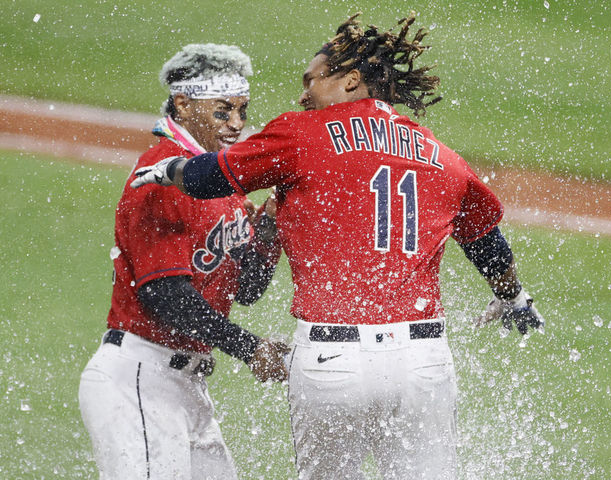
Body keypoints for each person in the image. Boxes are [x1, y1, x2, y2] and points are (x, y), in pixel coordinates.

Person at [131, 14, 544, 480]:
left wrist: (166, 171)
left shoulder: (302, 134)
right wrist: (513, 297)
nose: (304, 94)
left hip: (333, 363)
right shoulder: (440, 153)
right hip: (422, 362)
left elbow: (207, 177)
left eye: (311, 80)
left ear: (351, 80)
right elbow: (486, 242)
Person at [79, 44, 289, 480]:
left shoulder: (215, 177)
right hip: (140, 380)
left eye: (242, 111)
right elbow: (164, 296)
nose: (236, 125)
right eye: (222, 111)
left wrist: (269, 232)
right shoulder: (160, 177)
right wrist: (250, 350)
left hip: (186, 387)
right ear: (183, 104)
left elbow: (246, 290)